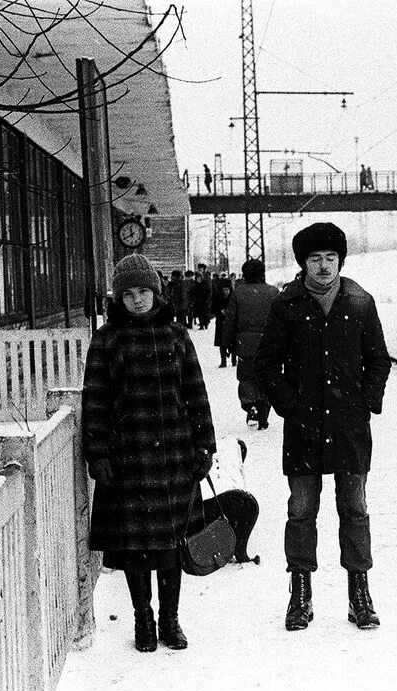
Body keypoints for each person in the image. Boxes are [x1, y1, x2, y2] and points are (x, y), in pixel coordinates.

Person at [253, 222, 391, 632]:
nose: (324, 266)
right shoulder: (286, 304)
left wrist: (366, 403)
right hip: (304, 428)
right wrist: (290, 406)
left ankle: (359, 595)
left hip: (349, 428)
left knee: (354, 509)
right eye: (315, 259)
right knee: (301, 510)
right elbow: (266, 363)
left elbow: (379, 360)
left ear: (340, 261)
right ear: (303, 263)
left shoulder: (360, 302)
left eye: (331, 258)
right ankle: (300, 595)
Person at [81, 253, 217, 653]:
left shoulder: (177, 335)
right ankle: (143, 618)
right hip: (129, 459)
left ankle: (170, 621)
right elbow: (97, 402)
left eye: (144, 292)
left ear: (157, 293)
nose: (137, 300)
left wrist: (204, 444)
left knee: (171, 545)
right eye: (129, 294)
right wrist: (98, 454)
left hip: (174, 455)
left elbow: (196, 393)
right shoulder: (106, 340)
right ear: (118, 298)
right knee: (137, 549)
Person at [223, 258, 280, 430]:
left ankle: (251, 404)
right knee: (267, 377)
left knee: (247, 377)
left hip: (245, 344)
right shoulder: (273, 292)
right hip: (269, 344)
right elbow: (280, 321)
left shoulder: (238, 293)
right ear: (262, 273)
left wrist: (226, 343)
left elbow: (230, 319)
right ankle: (263, 411)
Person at [211, 279, 234, 367]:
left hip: (231, 323)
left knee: (233, 342)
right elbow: (212, 309)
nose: (226, 292)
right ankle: (223, 361)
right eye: (224, 290)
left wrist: (229, 312)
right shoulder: (218, 299)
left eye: (227, 290)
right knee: (222, 343)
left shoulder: (233, 298)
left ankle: (233, 360)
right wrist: (220, 311)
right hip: (220, 322)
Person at [192, 264, 212, 330]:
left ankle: (205, 323)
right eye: (199, 269)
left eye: (201, 269)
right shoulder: (197, 276)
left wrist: (208, 298)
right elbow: (194, 288)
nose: (199, 270)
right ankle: (201, 324)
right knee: (200, 312)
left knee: (205, 311)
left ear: (204, 269)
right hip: (198, 298)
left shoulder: (207, 277)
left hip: (205, 298)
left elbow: (209, 289)